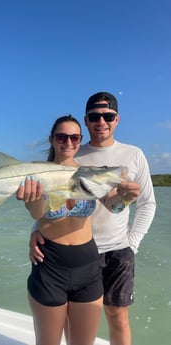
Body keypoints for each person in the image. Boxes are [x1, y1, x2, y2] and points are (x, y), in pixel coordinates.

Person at [28, 93, 156, 345]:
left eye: (108, 116)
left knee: (118, 315)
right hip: (62, 255)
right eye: (95, 116)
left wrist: (133, 243)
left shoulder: (134, 154)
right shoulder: (77, 156)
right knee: (59, 328)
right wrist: (35, 230)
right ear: (86, 121)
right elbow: (47, 203)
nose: (102, 121)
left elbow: (133, 204)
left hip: (116, 249)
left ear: (116, 119)